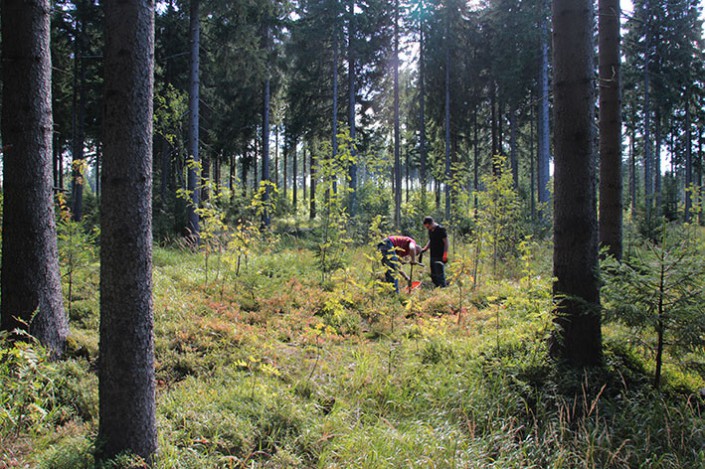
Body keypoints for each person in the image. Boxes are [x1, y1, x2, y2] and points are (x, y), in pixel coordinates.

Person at [421, 216, 448, 287]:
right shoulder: (430, 231)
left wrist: (445, 254)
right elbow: (431, 240)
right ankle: (436, 287)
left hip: (440, 254)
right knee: (433, 273)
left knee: (439, 272)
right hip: (432, 254)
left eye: (428, 227)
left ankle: (442, 287)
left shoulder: (441, 229)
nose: (427, 228)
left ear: (432, 223)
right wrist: (425, 248)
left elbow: (446, 242)